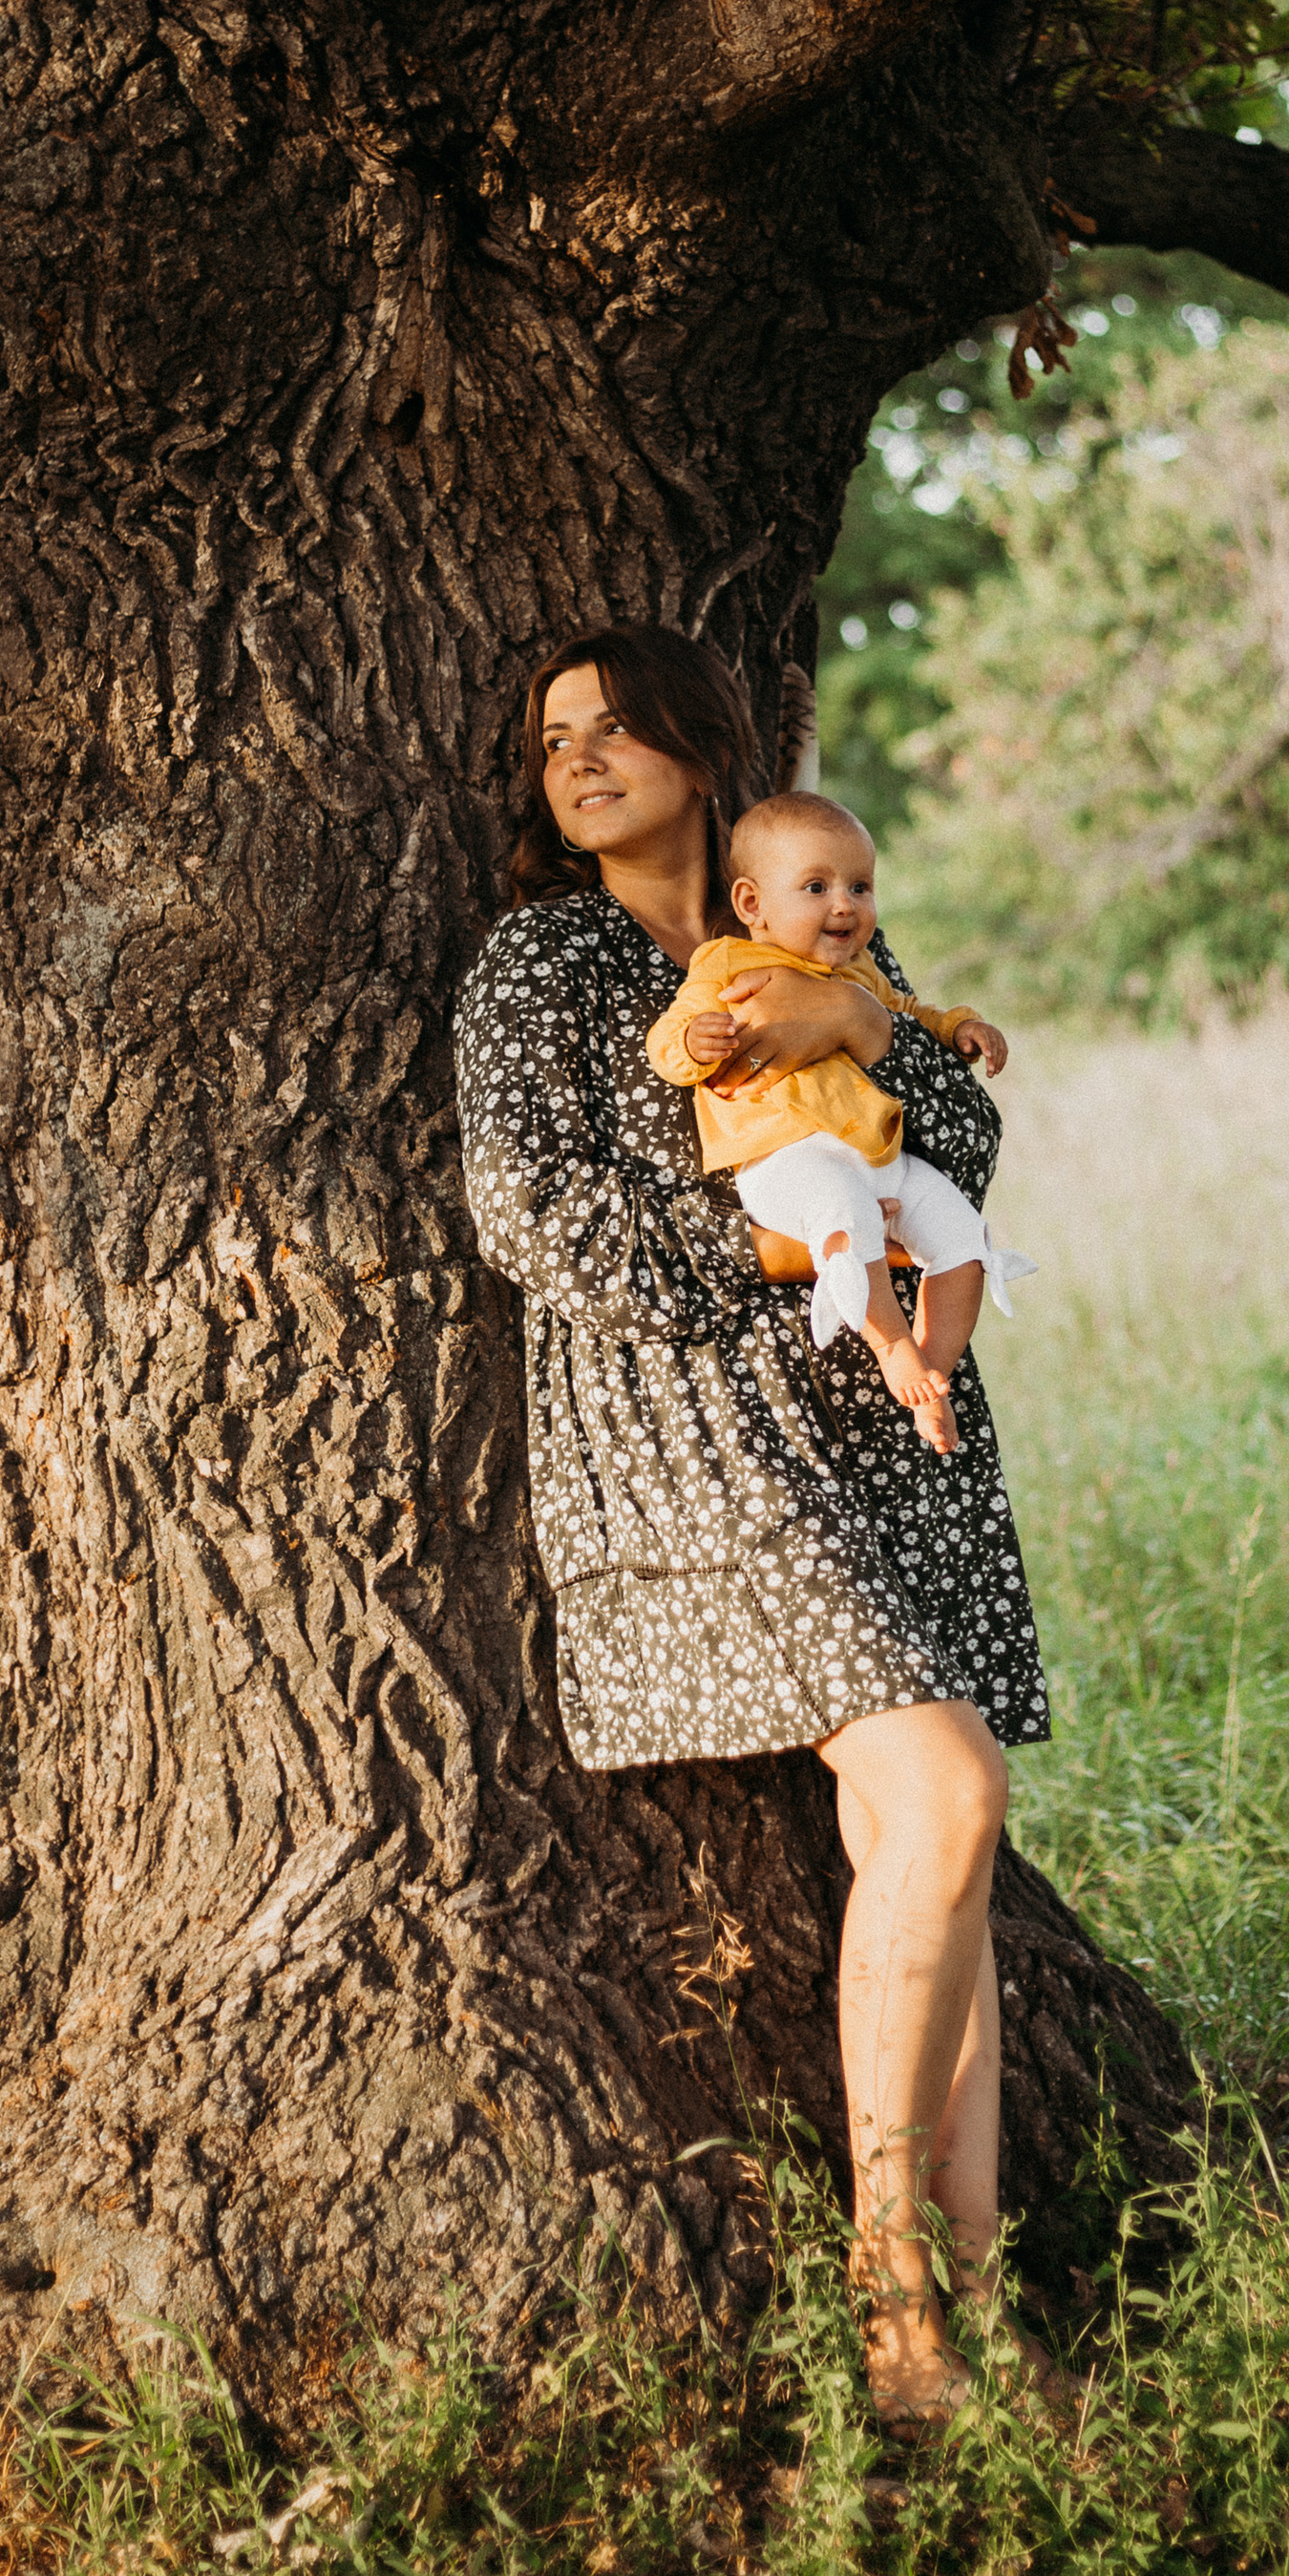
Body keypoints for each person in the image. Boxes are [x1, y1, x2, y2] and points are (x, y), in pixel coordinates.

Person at [453, 624, 1059, 2429]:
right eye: (552, 736)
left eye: (615, 727)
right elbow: (534, 1223)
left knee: (924, 1846)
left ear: (703, 749)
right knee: (947, 1797)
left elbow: (955, 1127)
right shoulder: (539, 964)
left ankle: (968, 2306)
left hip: (881, 1425)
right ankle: (891, 2303)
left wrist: (869, 1014)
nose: (579, 758)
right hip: (689, 1440)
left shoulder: (797, 912)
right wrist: (790, 1248)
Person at [644, 788, 1035, 1449]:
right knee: (846, 1218)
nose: (844, 904)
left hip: (877, 1151)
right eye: (816, 886)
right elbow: (668, 1039)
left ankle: (931, 1372)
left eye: (860, 885)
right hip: (789, 1160)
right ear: (751, 904)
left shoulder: (860, 972)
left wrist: (961, 1025)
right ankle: (892, 1349)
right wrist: (692, 1043)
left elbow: (911, 1014)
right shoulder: (726, 964)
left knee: (963, 1238)